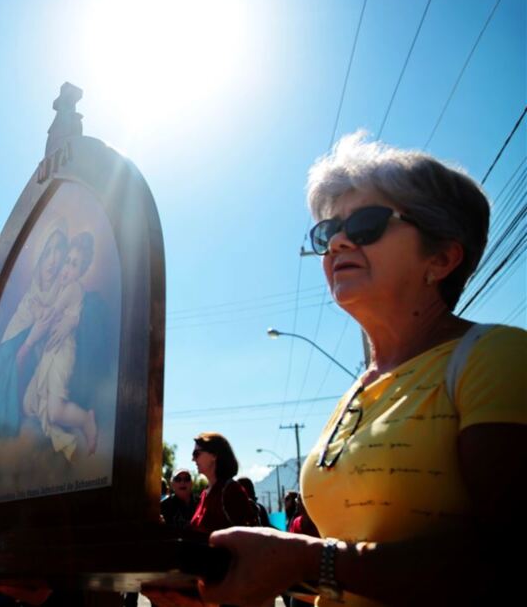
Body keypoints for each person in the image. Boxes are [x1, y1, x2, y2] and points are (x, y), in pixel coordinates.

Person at [152, 134, 527, 607]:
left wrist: (308, 561)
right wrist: (221, 587)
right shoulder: (355, 394)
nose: (339, 243)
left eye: (367, 224)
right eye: (329, 233)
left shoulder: (495, 357)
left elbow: (507, 557)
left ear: (442, 258)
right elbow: (341, 582)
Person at [21, 231, 99, 459]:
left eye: (74, 265)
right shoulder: (62, 288)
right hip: (50, 353)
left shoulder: (73, 288)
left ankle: (86, 420)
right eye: (67, 261)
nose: (67, 269)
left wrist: (38, 310)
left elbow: (50, 316)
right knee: (29, 405)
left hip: (62, 355)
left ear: (81, 271)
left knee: (54, 413)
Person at [0, 228, 68, 437]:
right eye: (47, 252)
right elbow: (4, 372)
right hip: (25, 413)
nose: (53, 259)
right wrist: (31, 340)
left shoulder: (72, 295)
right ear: (38, 260)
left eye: (58, 250)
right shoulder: (27, 307)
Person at [188, 433, 257, 533]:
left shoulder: (231, 491)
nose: (193, 459)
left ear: (214, 455)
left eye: (196, 454)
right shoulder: (205, 493)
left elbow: (246, 536)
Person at [160, 469, 196, 533]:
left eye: (187, 479)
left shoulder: (202, 503)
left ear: (192, 483)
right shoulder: (164, 505)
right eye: (178, 479)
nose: (182, 482)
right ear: (172, 484)